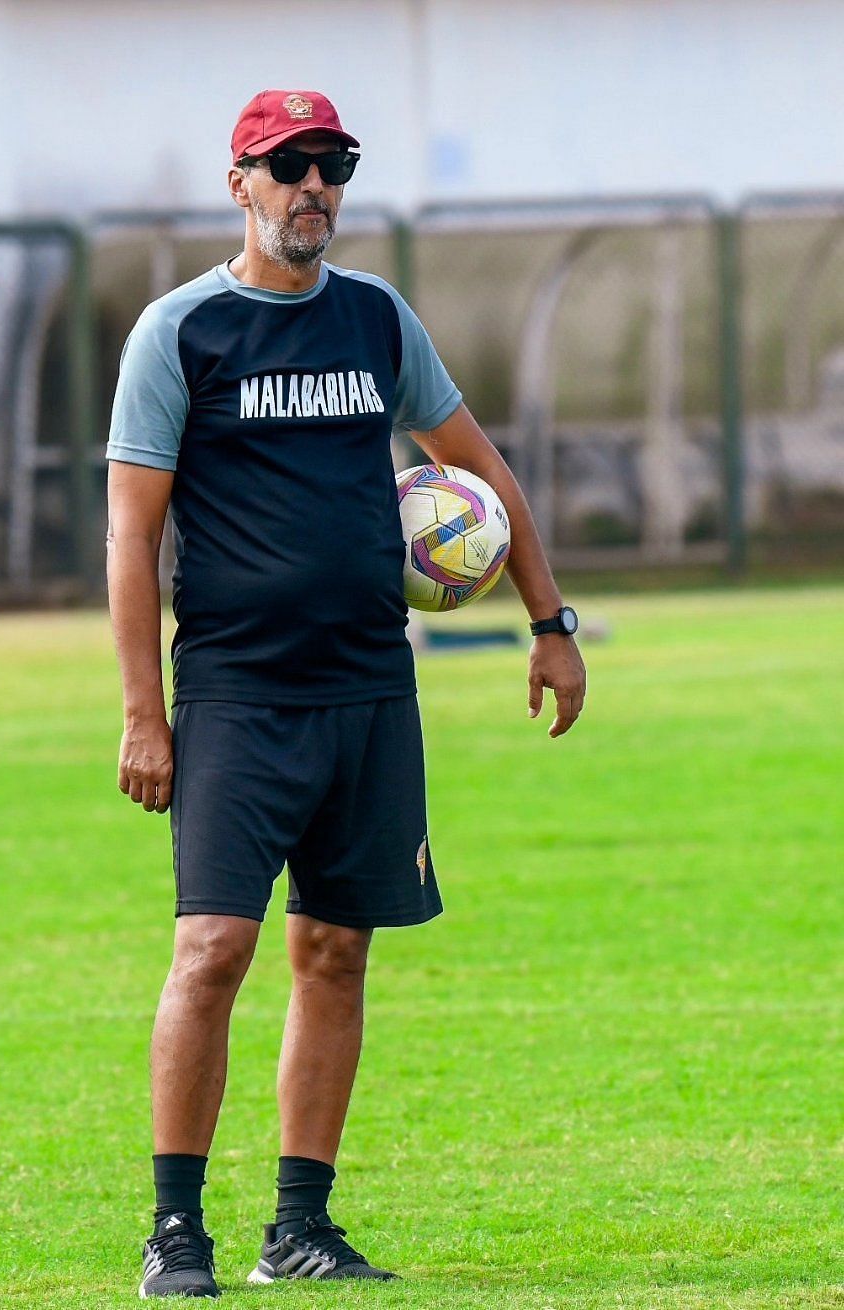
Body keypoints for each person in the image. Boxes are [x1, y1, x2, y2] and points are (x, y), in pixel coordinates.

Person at [106, 88, 587, 1299]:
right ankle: (175, 1230)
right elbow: (129, 540)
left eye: (333, 164)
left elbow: (475, 467)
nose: (312, 185)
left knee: (334, 951)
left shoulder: (375, 320)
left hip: (370, 691)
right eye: (288, 166)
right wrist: (140, 712)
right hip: (234, 696)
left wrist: (550, 622)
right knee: (212, 947)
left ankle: (299, 1226)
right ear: (241, 183)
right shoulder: (180, 333)